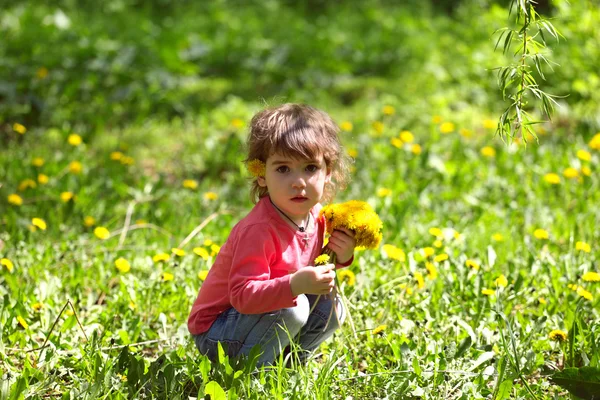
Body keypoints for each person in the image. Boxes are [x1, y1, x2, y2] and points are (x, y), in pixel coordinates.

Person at [188, 103, 356, 367]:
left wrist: (342, 255)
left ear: (328, 171)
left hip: (263, 318)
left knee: (333, 307)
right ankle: (248, 373)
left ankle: (286, 367)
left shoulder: (318, 216)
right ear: (261, 173)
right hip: (218, 331)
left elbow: (313, 265)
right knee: (294, 307)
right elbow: (242, 296)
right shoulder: (259, 230)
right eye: (283, 169)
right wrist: (294, 285)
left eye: (310, 168)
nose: (298, 181)